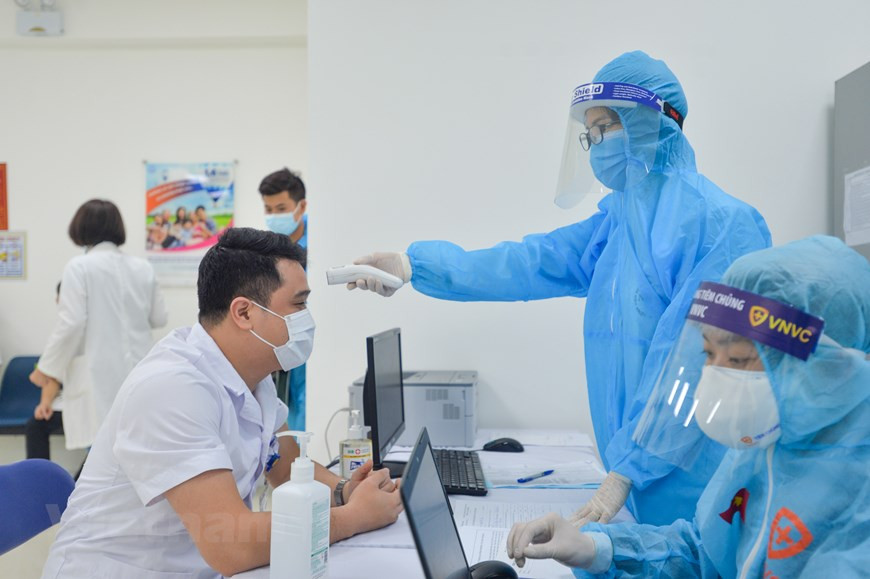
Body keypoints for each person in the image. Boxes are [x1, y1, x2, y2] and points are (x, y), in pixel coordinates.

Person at [347, 51, 771, 525]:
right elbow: (528, 263)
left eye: (605, 126)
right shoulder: (618, 221)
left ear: (652, 123)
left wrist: (631, 465)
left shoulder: (721, 226)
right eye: (590, 134)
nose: (596, 144)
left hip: (692, 483)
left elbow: (691, 362)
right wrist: (412, 266)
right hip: (630, 477)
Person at [41, 228, 402, 579]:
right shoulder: (173, 388)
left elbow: (285, 463)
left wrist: (343, 491)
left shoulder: (254, 376)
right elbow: (230, 542)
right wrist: (354, 517)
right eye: (298, 304)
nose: (306, 320)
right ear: (243, 313)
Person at [506, 235, 870, 577]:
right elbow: (703, 552)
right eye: (709, 355)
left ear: (826, 365)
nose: (716, 379)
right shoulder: (766, 444)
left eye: (739, 361)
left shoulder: (857, 495)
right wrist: (594, 549)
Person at [29, 199, 167, 451]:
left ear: (80, 228)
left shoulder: (79, 267)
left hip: (98, 379)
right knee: (134, 451)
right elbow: (159, 318)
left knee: (103, 455)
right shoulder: (142, 267)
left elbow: (70, 323)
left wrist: (47, 369)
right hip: (139, 373)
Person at [260, 167, 308, 430]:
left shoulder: (321, 242)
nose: (274, 216)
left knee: (307, 411)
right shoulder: (266, 249)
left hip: (311, 343)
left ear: (301, 207)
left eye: (281, 208)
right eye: (268, 209)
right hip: (277, 342)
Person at [25, 282, 65, 461]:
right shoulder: (62, 333)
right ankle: (40, 479)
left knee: (100, 439)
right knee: (36, 424)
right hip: (68, 403)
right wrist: (45, 402)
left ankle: (78, 485)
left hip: (98, 405)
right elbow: (53, 376)